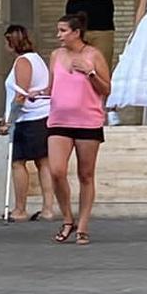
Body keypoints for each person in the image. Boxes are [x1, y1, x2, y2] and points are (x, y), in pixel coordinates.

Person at [46, 14, 111, 246]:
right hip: (59, 120)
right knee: (56, 170)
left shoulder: (93, 55)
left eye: (63, 30)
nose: (59, 35)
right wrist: (35, 94)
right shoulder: (56, 55)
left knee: (86, 175)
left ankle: (82, 225)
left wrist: (89, 72)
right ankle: (67, 218)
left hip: (87, 121)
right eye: (59, 30)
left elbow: (106, 88)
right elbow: (52, 87)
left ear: (76, 32)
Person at [0, 24, 54, 224]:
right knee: (43, 161)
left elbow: (21, 95)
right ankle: (48, 209)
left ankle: (20, 209)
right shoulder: (37, 58)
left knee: (18, 163)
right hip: (43, 115)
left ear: (10, 42)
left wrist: (9, 121)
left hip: (28, 118)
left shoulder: (22, 61)